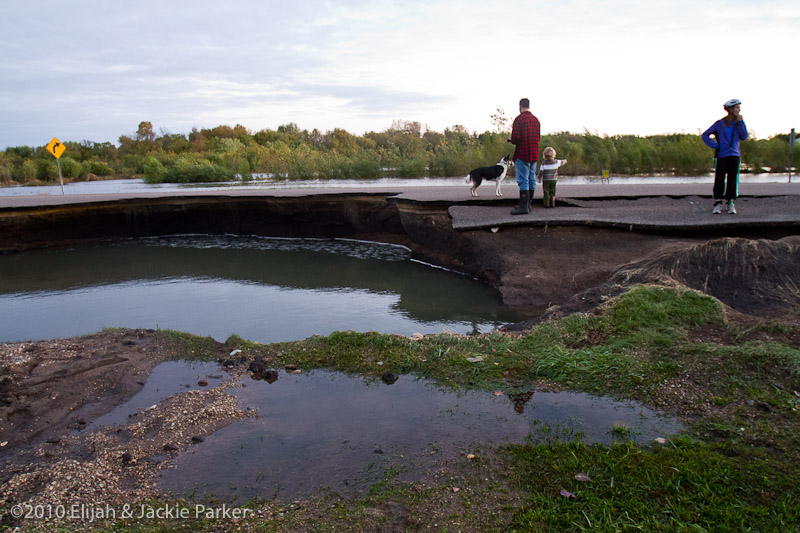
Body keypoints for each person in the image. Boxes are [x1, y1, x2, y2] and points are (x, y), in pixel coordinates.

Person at [701, 98, 748, 214]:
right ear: (731, 109)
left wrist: (741, 122)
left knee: (732, 179)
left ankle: (730, 202)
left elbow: (744, 136)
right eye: (737, 108)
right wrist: (716, 145)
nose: (739, 110)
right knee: (719, 178)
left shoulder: (738, 123)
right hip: (722, 155)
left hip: (735, 154)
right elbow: (705, 135)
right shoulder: (720, 124)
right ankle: (718, 202)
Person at [507, 98, 541, 215]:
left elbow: (516, 138)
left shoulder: (519, 119)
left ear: (520, 106)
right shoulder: (536, 120)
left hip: (522, 153)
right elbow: (538, 138)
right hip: (534, 153)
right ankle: (528, 204)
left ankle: (523, 206)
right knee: (531, 178)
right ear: (529, 106)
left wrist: (511, 140)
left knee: (523, 179)